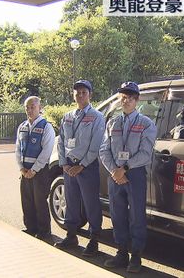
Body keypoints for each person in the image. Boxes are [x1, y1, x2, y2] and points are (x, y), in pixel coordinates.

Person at [100, 81, 157, 273]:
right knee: (118, 215)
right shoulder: (112, 123)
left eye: (130, 97)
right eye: (123, 97)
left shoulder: (146, 124)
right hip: (115, 175)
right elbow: (103, 150)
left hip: (135, 174)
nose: (126, 101)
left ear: (137, 100)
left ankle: (136, 256)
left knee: (136, 216)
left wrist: (124, 168)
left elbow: (145, 153)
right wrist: (115, 170)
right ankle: (121, 252)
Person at [54, 80, 105, 257]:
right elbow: (61, 141)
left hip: (87, 167)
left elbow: (96, 144)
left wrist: (81, 165)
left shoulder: (97, 117)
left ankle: (94, 239)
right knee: (71, 201)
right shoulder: (68, 116)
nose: (80, 95)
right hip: (69, 167)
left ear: (89, 94)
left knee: (91, 203)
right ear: (73, 94)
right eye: (77, 92)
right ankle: (71, 235)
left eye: (83, 92)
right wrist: (64, 163)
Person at [15, 96, 55, 240]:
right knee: (26, 200)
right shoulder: (22, 127)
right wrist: (21, 168)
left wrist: (34, 170)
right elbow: (18, 149)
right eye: (27, 107)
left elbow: (46, 151)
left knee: (40, 201)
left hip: (39, 172)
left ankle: (44, 231)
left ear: (39, 108)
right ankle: (30, 228)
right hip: (25, 172)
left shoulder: (46, 126)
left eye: (33, 107)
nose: (30, 110)